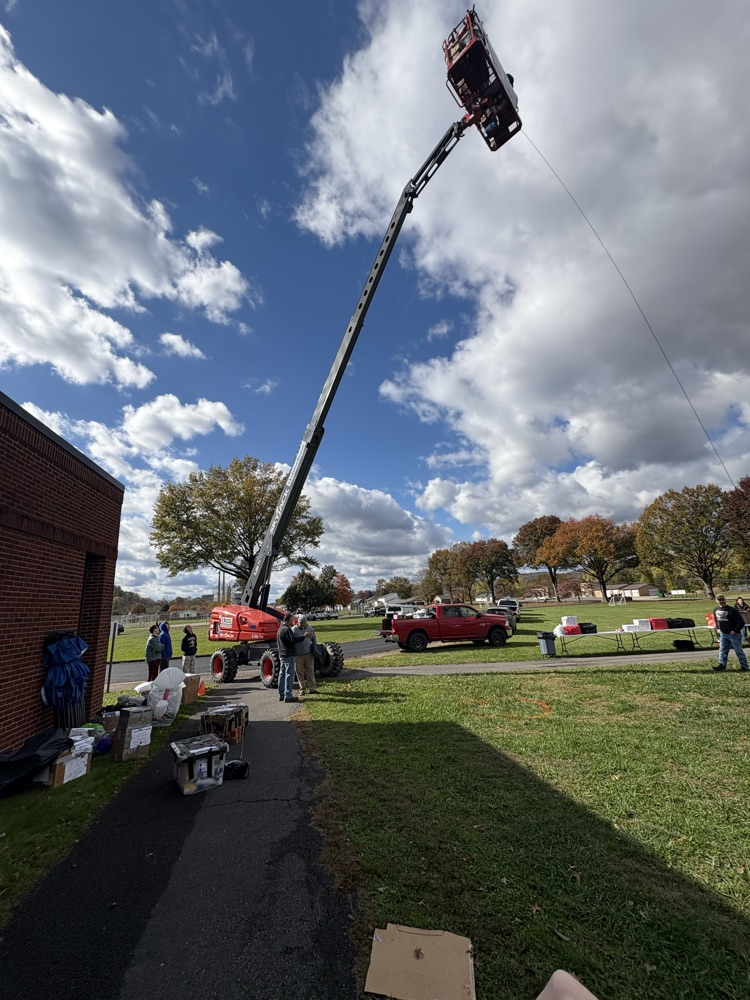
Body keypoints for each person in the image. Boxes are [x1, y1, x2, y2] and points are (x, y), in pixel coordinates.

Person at [712, 595, 749, 671]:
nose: (721, 601)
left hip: (734, 634)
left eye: (722, 599)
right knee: (722, 650)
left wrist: (735, 630)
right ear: (716, 601)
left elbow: (741, 622)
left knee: (738, 651)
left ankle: (744, 666)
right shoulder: (716, 610)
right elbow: (716, 620)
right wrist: (718, 628)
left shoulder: (732, 610)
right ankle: (722, 665)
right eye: (719, 600)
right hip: (723, 634)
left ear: (725, 600)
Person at [292, 614, 318, 696]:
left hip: (308, 654)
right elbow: (292, 640)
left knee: (310, 672)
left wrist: (315, 649)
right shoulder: (294, 629)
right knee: (299, 673)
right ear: (297, 622)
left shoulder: (310, 628)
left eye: (303, 622)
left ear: (306, 622)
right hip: (298, 655)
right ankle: (302, 689)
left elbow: (314, 639)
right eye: (300, 622)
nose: (302, 624)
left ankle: (312, 688)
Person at [276, 612, 298, 702]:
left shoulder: (280, 629)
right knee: (289, 674)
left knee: (282, 674)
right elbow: (293, 640)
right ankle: (288, 695)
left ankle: (281, 694)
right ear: (289, 620)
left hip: (282, 654)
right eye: (292, 620)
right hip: (288, 654)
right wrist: (304, 637)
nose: (293, 621)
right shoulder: (287, 630)